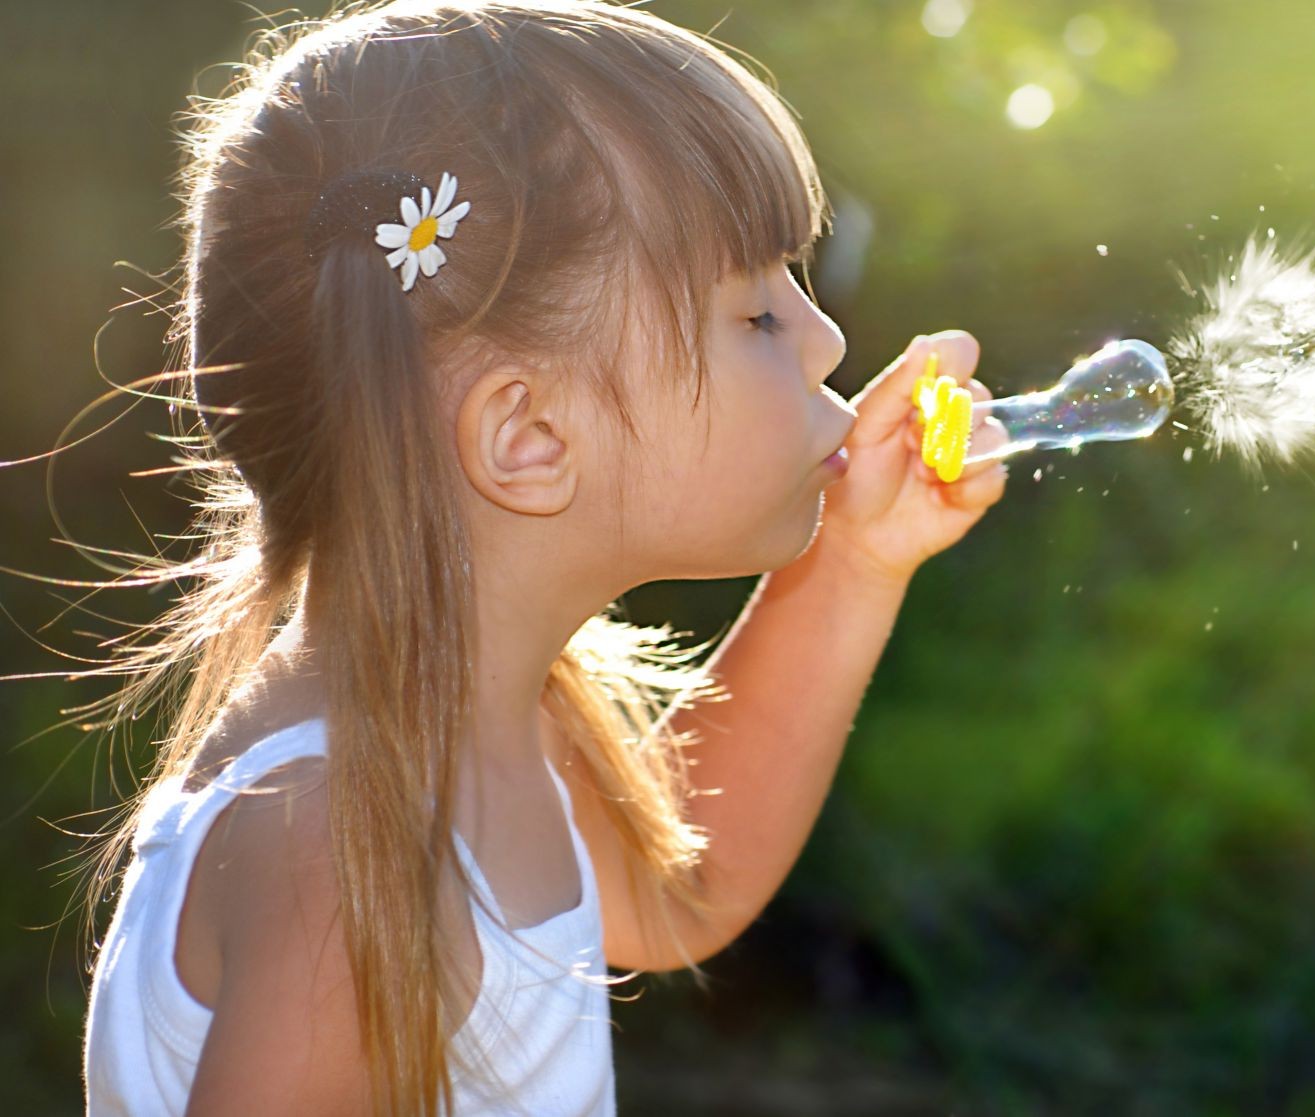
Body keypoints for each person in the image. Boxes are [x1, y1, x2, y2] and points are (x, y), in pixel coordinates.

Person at [75, 2, 1007, 1113]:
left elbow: (682, 889)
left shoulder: (472, 719)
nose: (828, 341)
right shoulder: (335, 859)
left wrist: (855, 557)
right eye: (757, 312)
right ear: (528, 438)